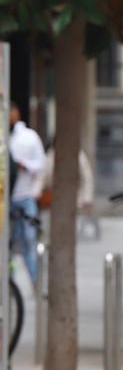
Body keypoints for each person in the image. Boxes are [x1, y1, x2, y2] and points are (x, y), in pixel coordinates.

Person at [9, 105, 46, 283]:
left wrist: (24, 165)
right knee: (10, 245)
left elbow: (41, 164)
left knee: (28, 244)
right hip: (9, 197)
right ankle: (10, 286)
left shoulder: (28, 137)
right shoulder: (8, 137)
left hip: (25, 195)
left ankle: (36, 284)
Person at [42, 139, 97, 240]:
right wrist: (36, 193)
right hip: (53, 199)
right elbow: (42, 176)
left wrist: (87, 198)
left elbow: (87, 177)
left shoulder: (78, 155)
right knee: (52, 231)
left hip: (73, 198)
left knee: (71, 230)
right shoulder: (51, 155)